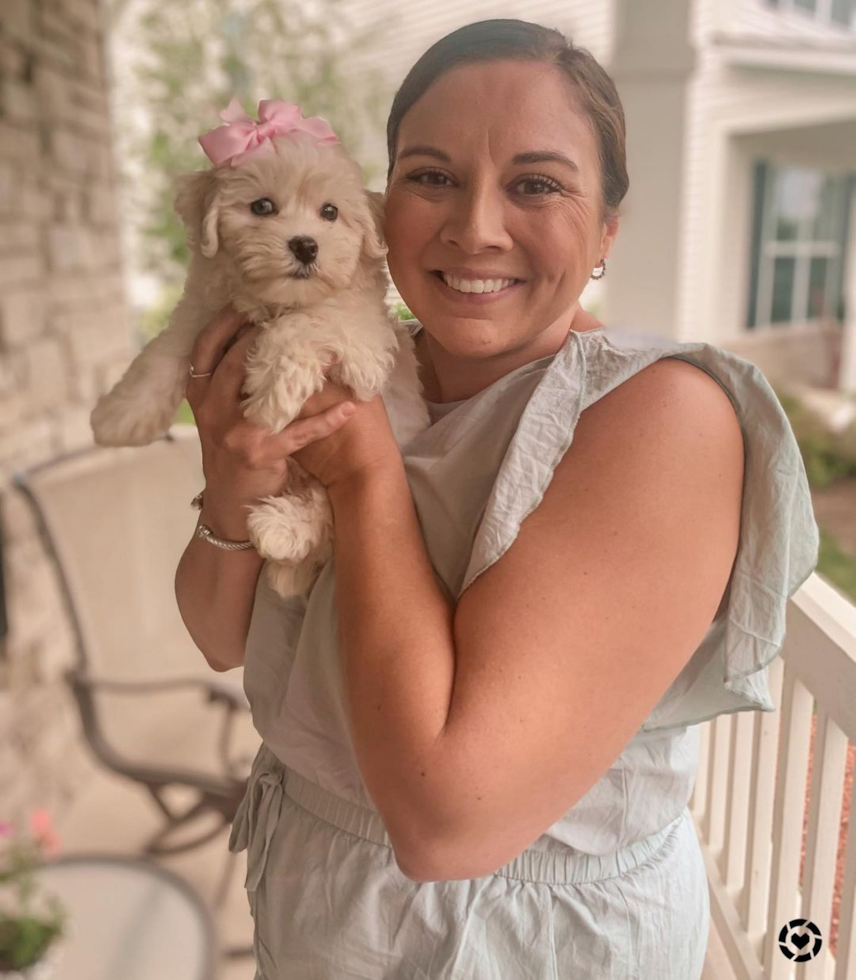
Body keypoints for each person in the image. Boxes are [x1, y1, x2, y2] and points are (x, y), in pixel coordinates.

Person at [174, 19, 819, 980]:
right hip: (314, 897)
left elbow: (448, 822)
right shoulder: (355, 360)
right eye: (431, 177)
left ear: (606, 228)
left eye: (537, 184)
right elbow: (220, 635)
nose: (475, 227)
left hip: (527, 939)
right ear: (380, 207)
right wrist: (231, 483)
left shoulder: (659, 418)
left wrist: (364, 474)